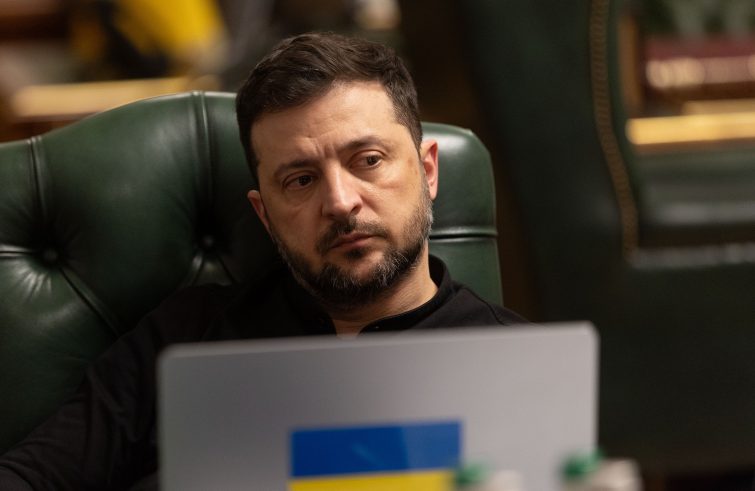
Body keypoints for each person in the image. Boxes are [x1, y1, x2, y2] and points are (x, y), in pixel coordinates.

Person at [0, 32, 523, 490]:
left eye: (368, 160)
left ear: (427, 172)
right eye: (301, 180)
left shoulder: (517, 365)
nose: (340, 202)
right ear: (265, 215)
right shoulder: (184, 339)